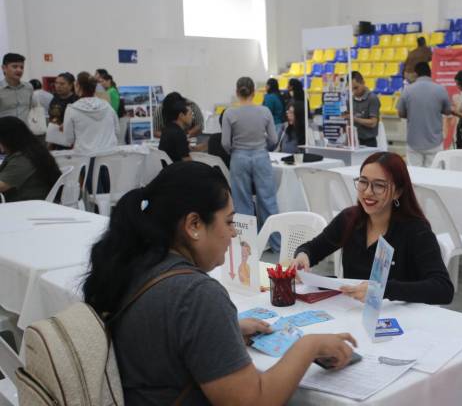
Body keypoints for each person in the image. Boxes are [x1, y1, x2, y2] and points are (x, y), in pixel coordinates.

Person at [82, 161, 357, 405]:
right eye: (228, 222)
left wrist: (225, 331)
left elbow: (164, 340)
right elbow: (254, 400)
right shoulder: (197, 294)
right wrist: (309, 346)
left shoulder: (133, 265)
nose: (233, 233)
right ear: (194, 225)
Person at [290, 152, 454, 305]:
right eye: (363, 182)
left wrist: (383, 290)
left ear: (398, 192)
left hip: (399, 319)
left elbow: (443, 289)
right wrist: (303, 256)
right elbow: (313, 248)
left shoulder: (415, 230)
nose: (368, 192)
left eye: (379, 185)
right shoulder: (349, 219)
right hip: (352, 312)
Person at [222, 77, 281, 251]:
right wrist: (263, 149)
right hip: (261, 156)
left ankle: (246, 245)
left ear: (237, 92)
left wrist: (236, 152)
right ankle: (276, 245)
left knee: (241, 203)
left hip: (239, 158)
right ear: (254, 92)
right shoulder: (264, 112)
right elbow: (274, 139)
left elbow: (225, 142)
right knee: (268, 201)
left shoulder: (230, 113)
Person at [398, 62, 451, 167]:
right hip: (434, 141)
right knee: (433, 177)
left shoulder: (407, 90)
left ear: (416, 74)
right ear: (430, 73)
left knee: (415, 176)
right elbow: (447, 111)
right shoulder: (441, 90)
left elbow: (401, 113)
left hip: (414, 141)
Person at [0, 116, 61, 202]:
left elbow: (1, 186)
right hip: (36, 202)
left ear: (8, 138)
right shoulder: (33, 150)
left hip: (26, 205)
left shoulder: (22, 159)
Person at [62, 72, 120, 153]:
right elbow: (117, 131)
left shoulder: (72, 109)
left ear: (78, 86)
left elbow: (68, 139)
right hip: (109, 155)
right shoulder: (107, 106)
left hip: (85, 158)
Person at [158, 93, 194, 162]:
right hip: (178, 171)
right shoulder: (179, 134)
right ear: (181, 116)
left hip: (168, 171)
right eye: (190, 114)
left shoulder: (167, 130)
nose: (192, 117)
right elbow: (189, 164)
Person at [349, 71, 380, 148]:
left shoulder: (372, 98)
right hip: (354, 141)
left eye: (356, 88)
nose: (354, 91)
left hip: (369, 142)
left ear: (363, 83)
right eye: (351, 89)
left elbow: (373, 123)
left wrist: (354, 119)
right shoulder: (350, 99)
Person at [0, 53, 33, 125]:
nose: (19, 70)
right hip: (4, 133)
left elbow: (30, 109)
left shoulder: (28, 87)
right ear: (4, 68)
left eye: (22, 67)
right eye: (15, 67)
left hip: (25, 131)